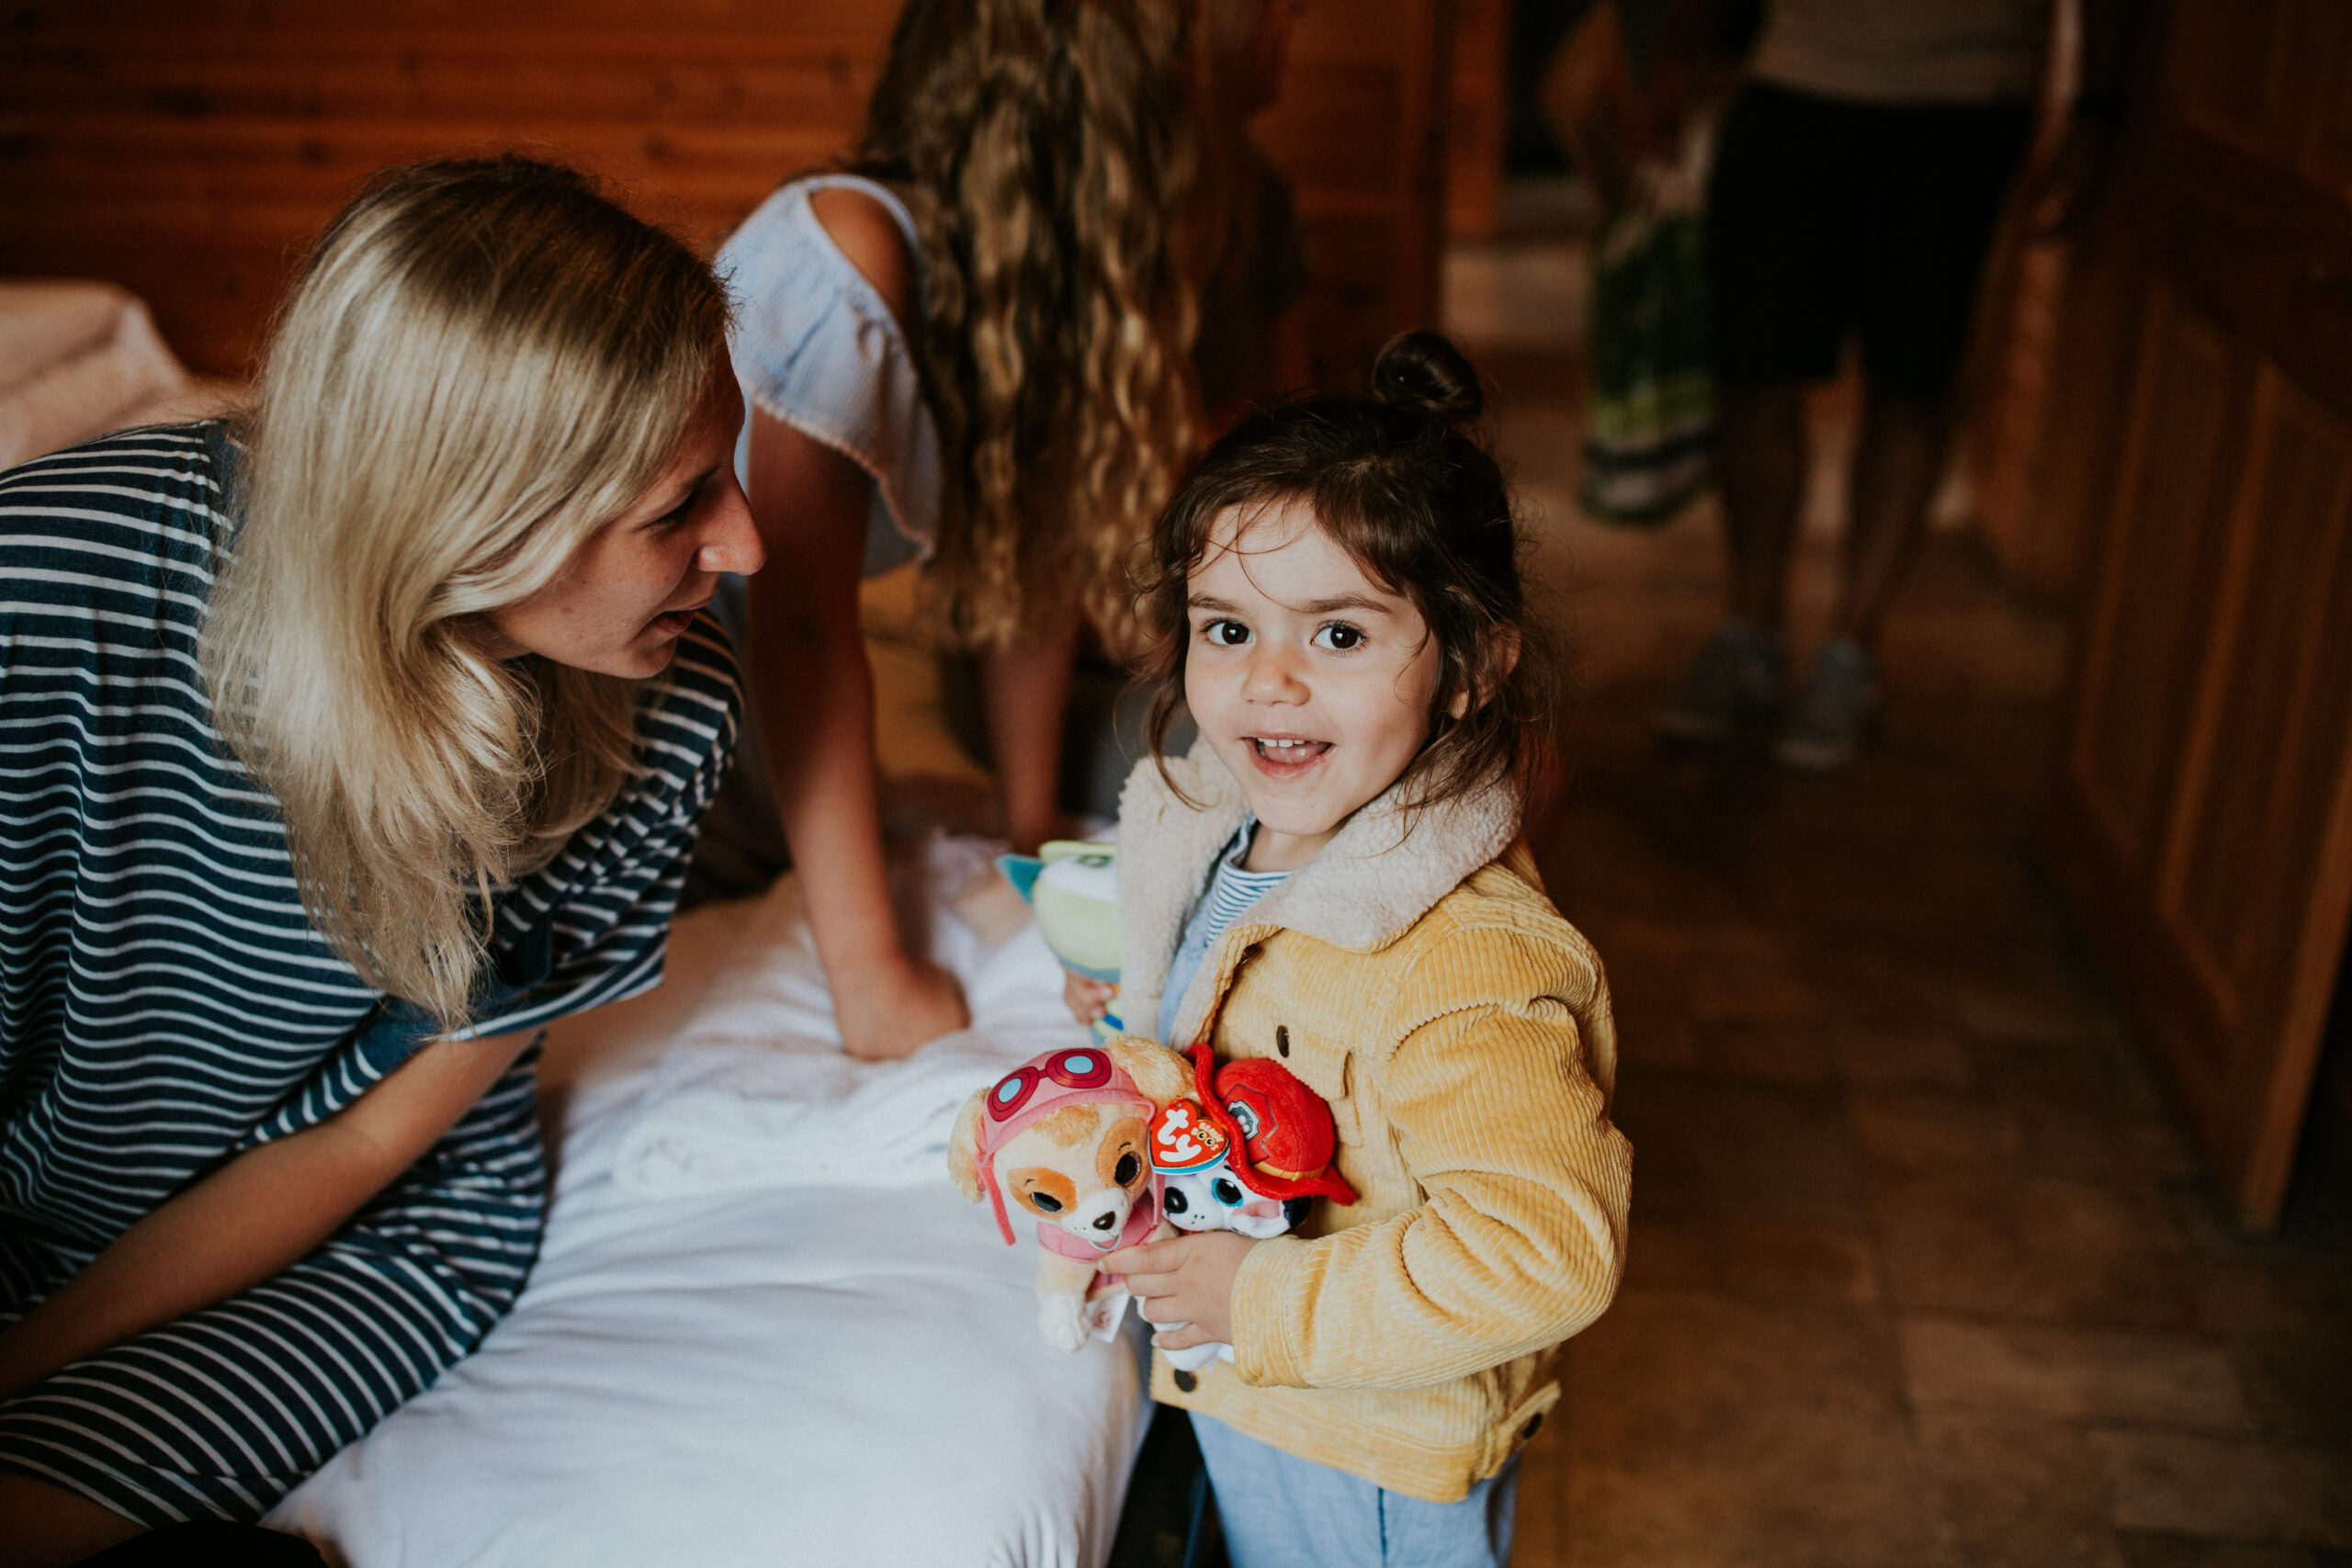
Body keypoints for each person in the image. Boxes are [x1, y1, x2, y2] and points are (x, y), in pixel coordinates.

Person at [0, 155, 763, 1565]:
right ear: (473, 509)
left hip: (361, 1219)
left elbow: (370, 1133)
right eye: (681, 506)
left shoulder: (672, 708)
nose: (749, 543)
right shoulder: (42, 588)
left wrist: (30, 1355)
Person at [1080, 332, 1634, 1567]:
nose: (1268, 681)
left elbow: (1544, 1250)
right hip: (1262, 1398)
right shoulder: (1246, 829)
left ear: (1471, 668)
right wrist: (1150, 1013)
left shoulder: (1467, 964)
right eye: (1226, 628)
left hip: (1367, 1452)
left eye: (1338, 635)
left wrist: (1251, 1300)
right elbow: (1257, 1002)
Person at [688, 0, 1200, 1060]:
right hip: (682, 693)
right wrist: (870, 975)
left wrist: (1029, 840)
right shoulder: (847, 242)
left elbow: (1032, 582)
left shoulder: (1028, 302)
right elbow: (798, 631)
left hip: (763, 705)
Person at [1656, 0, 2087, 769]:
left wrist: (2094, 108)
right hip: (1794, 77)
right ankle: (1749, 633)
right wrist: (1673, 59)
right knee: (1753, 378)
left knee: (1913, 387)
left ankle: (1852, 651)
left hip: (1966, 99)